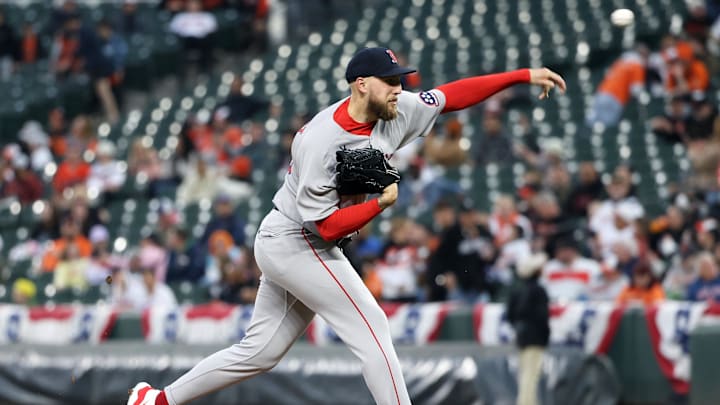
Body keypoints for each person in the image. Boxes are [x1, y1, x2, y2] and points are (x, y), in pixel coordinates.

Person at [127, 46, 565, 405]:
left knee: (260, 352)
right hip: (297, 238)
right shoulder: (320, 140)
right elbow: (327, 229)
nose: (400, 88)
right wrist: (379, 205)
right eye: (391, 81)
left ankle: (156, 400)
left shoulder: (397, 110)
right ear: (361, 85)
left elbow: (451, 96)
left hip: (298, 239)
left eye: (400, 79)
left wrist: (522, 75)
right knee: (372, 326)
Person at [507, 253, 550, 405]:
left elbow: (510, 315)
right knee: (531, 374)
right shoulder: (539, 290)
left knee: (525, 372)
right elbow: (542, 316)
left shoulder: (517, 290)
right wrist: (545, 335)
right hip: (535, 336)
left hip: (521, 336)